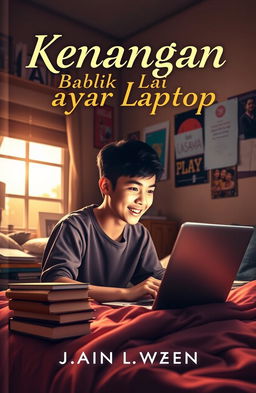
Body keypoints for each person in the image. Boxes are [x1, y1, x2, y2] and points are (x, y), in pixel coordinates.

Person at [41, 140, 165, 302]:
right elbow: (56, 282)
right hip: (74, 313)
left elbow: (157, 278)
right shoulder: (74, 226)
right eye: (134, 189)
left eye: (150, 191)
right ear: (106, 186)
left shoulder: (140, 234)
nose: (143, 200)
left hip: (113, 312)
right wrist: (126, 293)